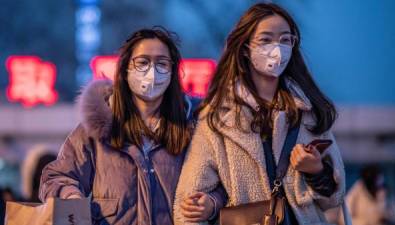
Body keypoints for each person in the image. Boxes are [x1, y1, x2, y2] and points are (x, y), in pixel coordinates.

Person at [174, 3, 346, 225]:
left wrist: (316, 171)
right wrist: (206, 205)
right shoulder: (218, 117)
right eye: (265, 39)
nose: (277, 49)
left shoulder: (308, 112)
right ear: (245, 47)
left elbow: (333, 199)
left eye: (285, 40)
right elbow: (187, 206)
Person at [39, 27, 224, 225]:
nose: (152, 71)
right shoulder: (99, 125)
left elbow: (226, 180)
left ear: (172, 72)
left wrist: (212, 203)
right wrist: (72, 198)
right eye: (143, 62)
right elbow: (55, 177)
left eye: (162, 63)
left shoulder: (194, 125)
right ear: (126, 69)